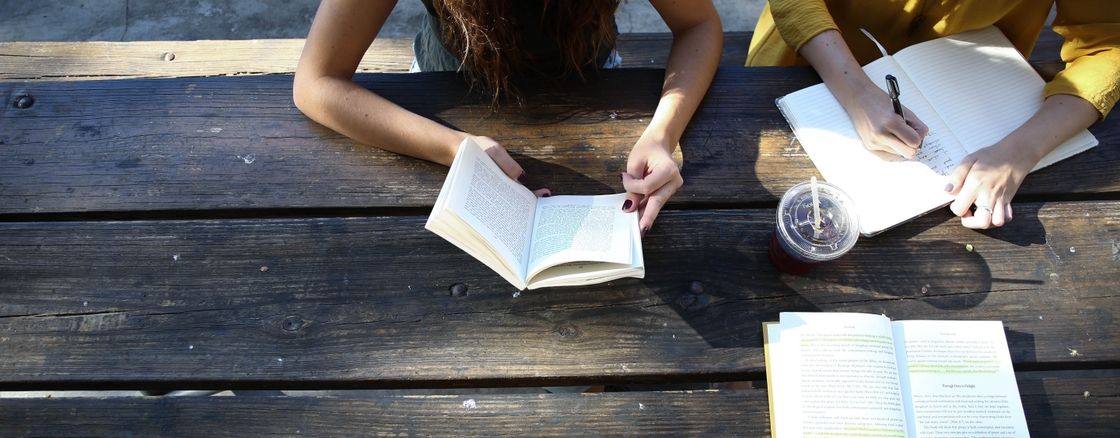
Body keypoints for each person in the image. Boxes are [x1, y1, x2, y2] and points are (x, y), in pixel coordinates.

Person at [294, 0, 723, 233]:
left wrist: (662, 134)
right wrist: (454, 147)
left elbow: (699, 24)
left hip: (593, 89)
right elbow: (317, 82)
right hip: (441, 104)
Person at [747, 1, 1119, 229]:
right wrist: (857, 91)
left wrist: (1021, 151)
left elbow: (1108, 45)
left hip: (977, 93)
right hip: (807, 64)